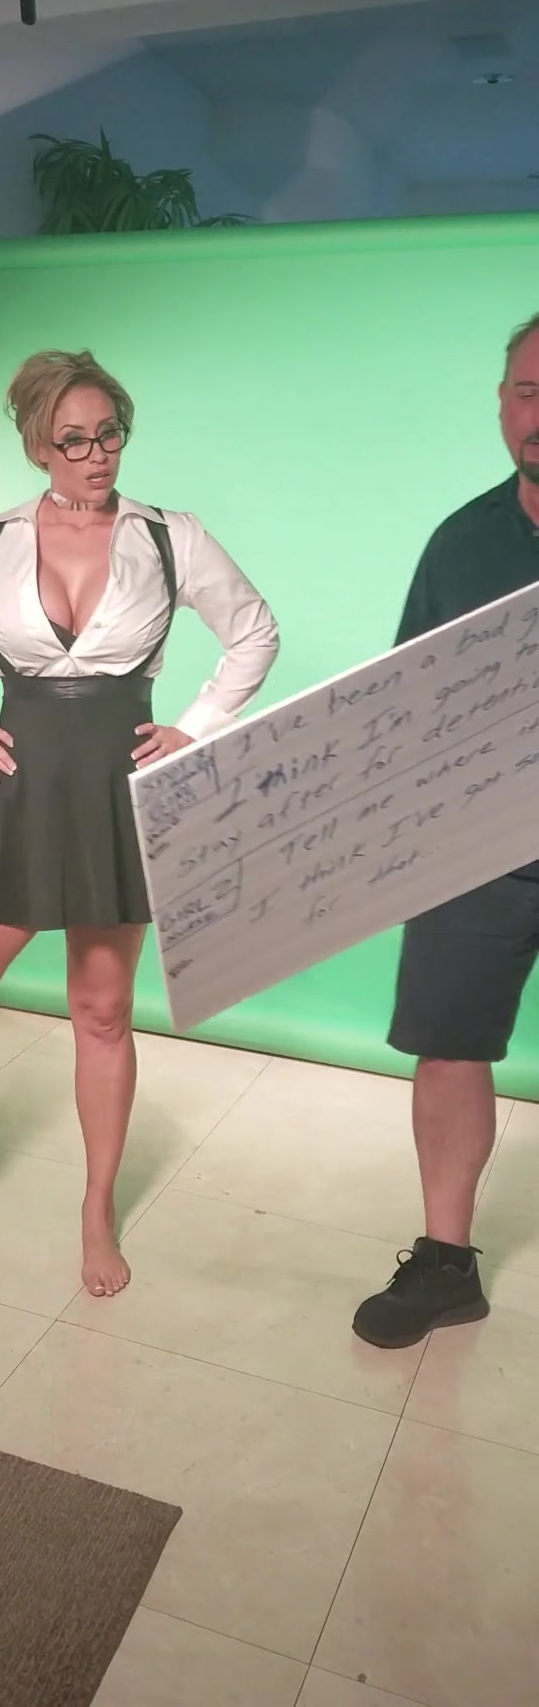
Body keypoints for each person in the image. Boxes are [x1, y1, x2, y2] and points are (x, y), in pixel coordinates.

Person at [0, 349, 279, 1296]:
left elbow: (254, 630)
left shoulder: (171, 537)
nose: (98, 456)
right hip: (18, 785)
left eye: (109, 434)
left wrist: (195, 727)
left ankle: (95, 1209)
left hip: (115, 792)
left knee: (100, 1011)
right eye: (75, 440)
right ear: (38, 447)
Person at [354, 310, 539, 1348]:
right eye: (526, 391)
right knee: (448, 1045)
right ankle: (445, 1264)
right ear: (503, 405)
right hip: (479, 849)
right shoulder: (461, 542)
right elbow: (403, 702)